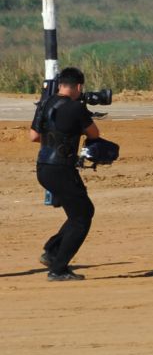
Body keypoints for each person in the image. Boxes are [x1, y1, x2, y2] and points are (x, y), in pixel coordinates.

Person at [29, 66, 102, 281]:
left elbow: (33, 136)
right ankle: (57, 268)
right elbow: (95, 133)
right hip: (61, 168)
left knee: (79, 212)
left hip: (43, 167)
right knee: (82, 216)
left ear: (60, 85)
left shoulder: (45, 103)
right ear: (78, 86)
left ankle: (52, 252)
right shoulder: (76, 108)